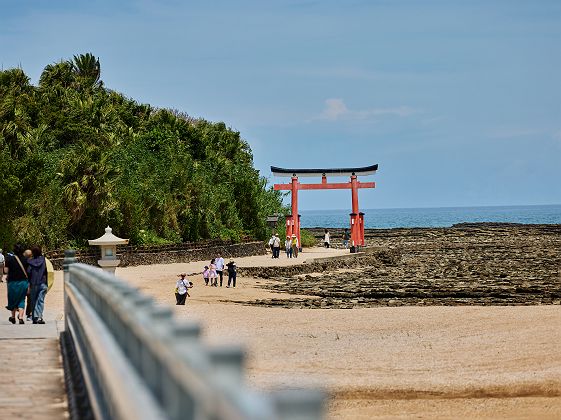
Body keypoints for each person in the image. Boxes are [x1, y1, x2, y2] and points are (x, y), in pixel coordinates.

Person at [4, 244, 29, 324]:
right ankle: (21, 317)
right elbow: (28, 271)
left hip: (12, 282)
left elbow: (6, 271)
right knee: (21, 299)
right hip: (23, 282)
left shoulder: (9, 259)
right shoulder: (26, 259)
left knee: (12, 299)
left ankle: (13, 317)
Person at [27, 245, 48, 324]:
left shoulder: (30, 261)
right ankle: (39, 317)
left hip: (33, 283)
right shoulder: (44, 260)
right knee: (40, 300)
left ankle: (34, 318)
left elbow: (29, 272)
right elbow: (48, 271)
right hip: (42, 282)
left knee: (33, 301)